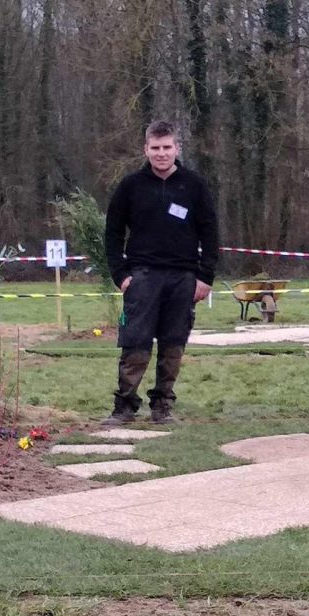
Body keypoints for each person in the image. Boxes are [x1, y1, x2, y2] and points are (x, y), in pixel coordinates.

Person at [101, 121, 219, 425]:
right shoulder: (130, 186)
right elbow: (112, 233)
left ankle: (162, 407)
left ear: (177, 149)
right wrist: (121, 275)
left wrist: (205, 277)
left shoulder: (194, 186)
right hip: (142, 276)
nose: (162, 153)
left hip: (183, 278)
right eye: (156, 148)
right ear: (146, 150)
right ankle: (125, 407)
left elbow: (211, 233)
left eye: (167, 147)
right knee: (135, 344)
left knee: (173, 344)